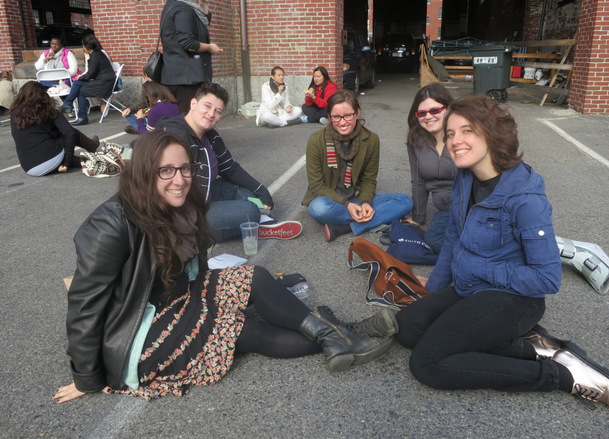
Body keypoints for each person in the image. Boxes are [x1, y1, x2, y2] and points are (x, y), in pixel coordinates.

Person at [53, 130, 397, 403]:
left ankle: (336, 334)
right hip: (138, 329)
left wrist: (214, 296)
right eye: (166, 170)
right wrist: (86, 378)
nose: (179, 179)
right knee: (237, 329)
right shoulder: (110, 225)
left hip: (176, 295)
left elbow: (195, 267)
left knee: (255, 277)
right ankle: (353, 334)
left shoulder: (181, 203)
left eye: (185, 168)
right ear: (144, 172)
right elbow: (84, 304)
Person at [394, 94, 609, 418]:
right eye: (450, 133)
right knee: (407, 327)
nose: (455, 141)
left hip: (515, 297)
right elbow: (452, 238)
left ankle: (563, 375)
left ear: (492, 133)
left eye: (467, 131)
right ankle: (531, 347)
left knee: (428, 363)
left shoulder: (525, 198)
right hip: (470, 288)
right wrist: (434, 294)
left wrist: (479, 268)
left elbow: (547, 279)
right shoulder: (464, 178)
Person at [158, 82, 302, 242]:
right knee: (249, 209)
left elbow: (230, 168)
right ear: (193, 104)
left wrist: (261, 190)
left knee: (242, 191)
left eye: (218, 111)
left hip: (206, 194)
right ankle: (257, 220)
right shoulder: (175, 137)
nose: (211, 114)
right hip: (185, 211)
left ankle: (257, 220)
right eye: (207, 106)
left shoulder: (211, 136)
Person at [302, 89, 413, 242]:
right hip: (330, 200)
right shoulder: (316, 140)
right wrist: (347, 205)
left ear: (357, 113)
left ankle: (346, 227)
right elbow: (316, 185)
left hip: (356, 197)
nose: (342, 122)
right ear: (329, 116)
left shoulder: (371, 139)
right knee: (318, 208)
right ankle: (373, 219)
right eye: (336, 117)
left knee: (405, 201)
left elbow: (368, 179)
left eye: (348, 115)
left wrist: (366, 202)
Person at [403, 83, 456, 264]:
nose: (428, 117)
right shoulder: (416, 140)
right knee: (433, 240)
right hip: (446, 210)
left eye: (435, 110)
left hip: (471, 205)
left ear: (448, 109)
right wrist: (418, 217)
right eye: (422, 113)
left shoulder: (463, 136)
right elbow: (417, 181)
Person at [160, 0, 223, 112]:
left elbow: (202, 26)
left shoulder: (175, 5)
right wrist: (210, 47)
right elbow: (187, 43)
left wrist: (205, 3)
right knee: (188, 115)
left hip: (181, 74)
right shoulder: (182, 9)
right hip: (186, 76)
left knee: (188, 114)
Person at [9, 81, 100, 176]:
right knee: (72, 132)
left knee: (55, 144)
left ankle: (77, 160)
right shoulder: (50, 111)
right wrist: (67, 162)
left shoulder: (14, 113)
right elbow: (70, 133)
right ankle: (91, 146)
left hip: (29, 168)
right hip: (51, 158)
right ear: (43, 96)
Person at [59, 35, 116, 126]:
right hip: (104, 82)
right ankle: (72, 108)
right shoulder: (98, 54)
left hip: (104, 85)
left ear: (86, 47)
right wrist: (82, 78)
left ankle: (72, 108)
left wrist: (80, 77)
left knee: (80, 89)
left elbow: (91, 74)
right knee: (78, 85)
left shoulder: (95, 56)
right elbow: (92, 74)